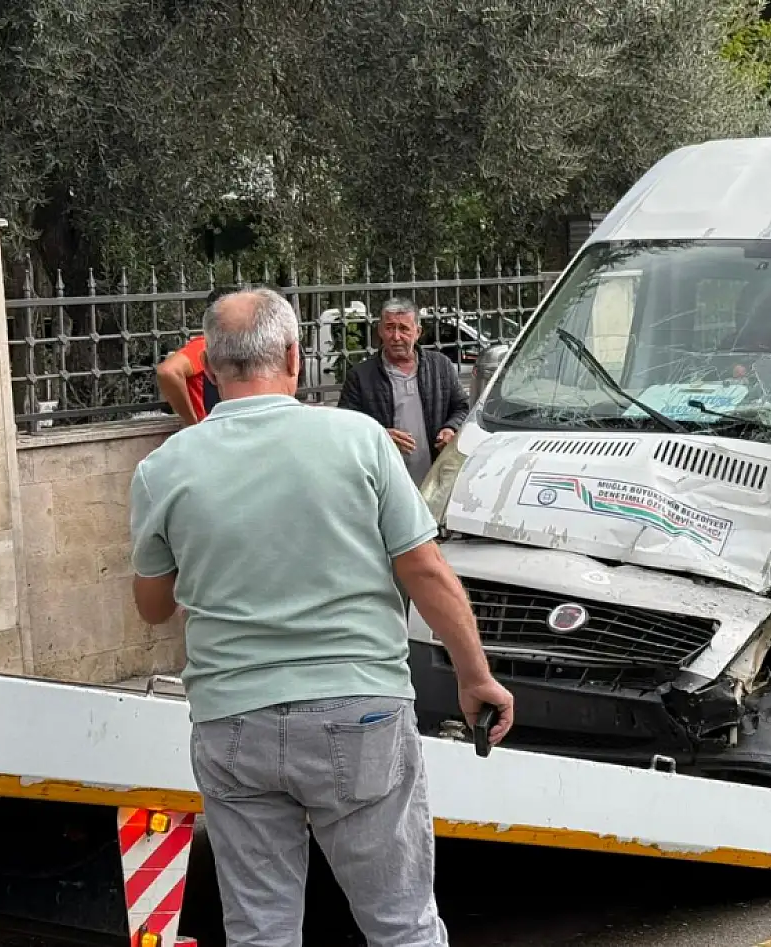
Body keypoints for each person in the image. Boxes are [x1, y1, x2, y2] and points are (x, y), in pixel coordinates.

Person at [127, 287, 514, 947]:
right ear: (293, 357)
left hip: (233, 720)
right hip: (358, 709)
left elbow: (154, 607)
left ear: (212, 369)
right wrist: (475, 675)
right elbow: (423, 570)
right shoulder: (358, 440)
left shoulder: (165, 469)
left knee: (261, 931)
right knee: (401, 924)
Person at [338, 298, 469, 485]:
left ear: (418, 332)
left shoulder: (440, 367)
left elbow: (462, 408)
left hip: (435, 479)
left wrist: (450, 428)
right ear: (381, 331)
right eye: (390, 328)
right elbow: (346, 428)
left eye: (404, 329)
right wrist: (381, 436)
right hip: (385, 481)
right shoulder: (360, 376)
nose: (396, 336)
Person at [155, 287, 239, 425]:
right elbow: (167, 371)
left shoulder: (234, 346)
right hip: (211, 429)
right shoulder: (205, 345)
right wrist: (192, 422)